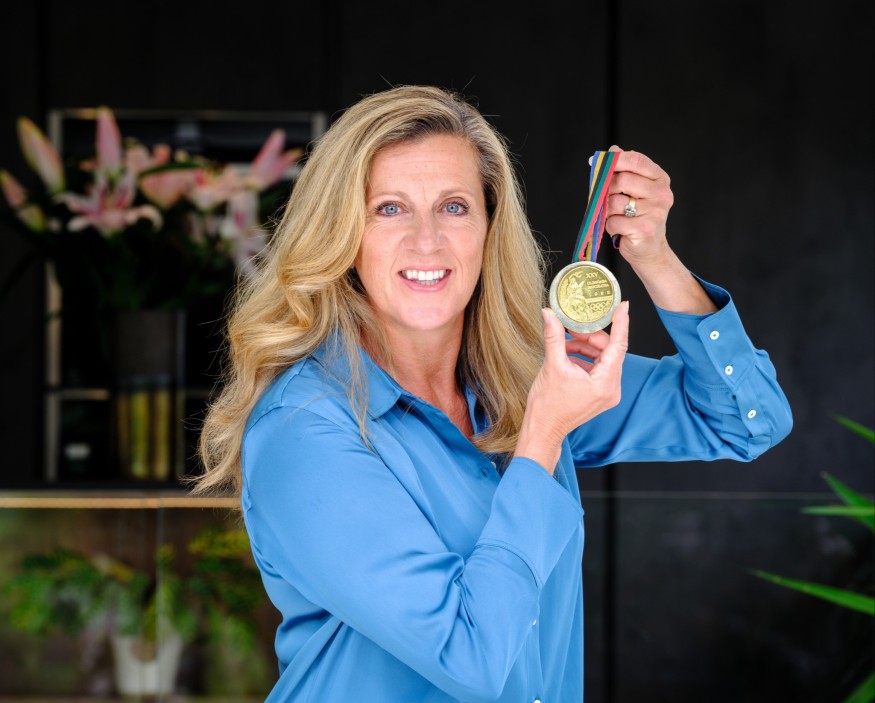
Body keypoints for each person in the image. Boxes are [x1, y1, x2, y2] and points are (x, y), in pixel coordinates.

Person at [193, 85, 792, 702]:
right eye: (389, 209)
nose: (427, 241)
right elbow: (469, 656)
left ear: (489, 227)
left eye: (454, 207)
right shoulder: (303, 429)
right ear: (342, 234)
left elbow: (747, 420)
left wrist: (653, 256)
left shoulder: (523, 381)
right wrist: (544, 437)